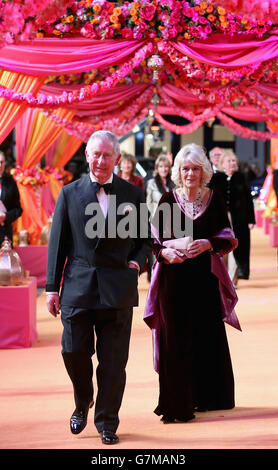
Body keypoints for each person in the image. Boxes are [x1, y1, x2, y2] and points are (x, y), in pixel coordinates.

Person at [46, 130, 151, 445]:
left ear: (117, 158)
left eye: (107, 155)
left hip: (117, 286)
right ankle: (83, 399)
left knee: (114, 361)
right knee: (73, 350)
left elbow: (145, 240)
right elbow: (58, 244)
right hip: (78, 285)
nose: (101, 160)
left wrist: (137, 262)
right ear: (87, 155)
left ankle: (107, 421)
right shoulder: (69, 193)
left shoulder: (133, 195)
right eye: (96, 154)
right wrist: (52, 287)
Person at [144, 143, 240, 424]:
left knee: (206, 335)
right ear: (178, 171)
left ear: (204, 171)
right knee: (175, 338)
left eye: (195, 169)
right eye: (185, 169)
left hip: (205, 279)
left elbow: (227, 237)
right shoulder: (167, 200)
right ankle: (177, 403)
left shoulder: (215, 198)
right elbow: (153, 241)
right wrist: (165, 252)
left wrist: (208, 242)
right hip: (173, 281)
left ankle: (210, 396)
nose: (190, 174)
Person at [209, 149, 255, 285]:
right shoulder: (216, 178)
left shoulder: (241, 177)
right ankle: (222, 276)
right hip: (221, 218)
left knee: (236, 247)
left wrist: (251, 220)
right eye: (229, 161)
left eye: (234, 160)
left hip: (239, 219)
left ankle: (232, 279)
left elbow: (248, 200)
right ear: (223, 163)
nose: (232, 163)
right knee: (222, 247)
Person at [0, 151, 22, 246]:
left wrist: (6, 216)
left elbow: (18, 209)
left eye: (1, 162)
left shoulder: (10, 182)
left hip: (4, 234)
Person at [146, 153, 175, 218]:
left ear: (169, 168)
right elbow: (148, 203)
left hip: (172, 219)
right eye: (161, 166)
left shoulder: (174, 183)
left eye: (166, 166)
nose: (163, 169)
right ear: (157, 168)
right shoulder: (151, 183)